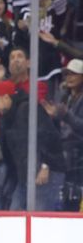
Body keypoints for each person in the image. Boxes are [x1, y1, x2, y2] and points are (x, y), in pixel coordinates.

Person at [0, 81, 65, 210]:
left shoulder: (28, 109)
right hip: (25, 175)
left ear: (5, 97)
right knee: (14, 214)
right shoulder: (7, 118)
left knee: (39, 216)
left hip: (46, 172)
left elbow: (49, 137)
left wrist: (45, 165)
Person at [41, 59, 83, 208]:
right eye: (67, 74)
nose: (69, 77)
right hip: (63, 154)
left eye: (74, 74)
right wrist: (53, 117)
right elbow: (56, 129)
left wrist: (66, 116)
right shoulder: (63, 96)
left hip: (79, 155)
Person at [0, 46, 49, 139]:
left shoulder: (39, 85)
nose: (15, 60)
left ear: (28, 63)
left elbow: (32, 106)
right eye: (12, 58)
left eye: (19, 56)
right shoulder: (0, 85)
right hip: (3, 137)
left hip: (28, 139)